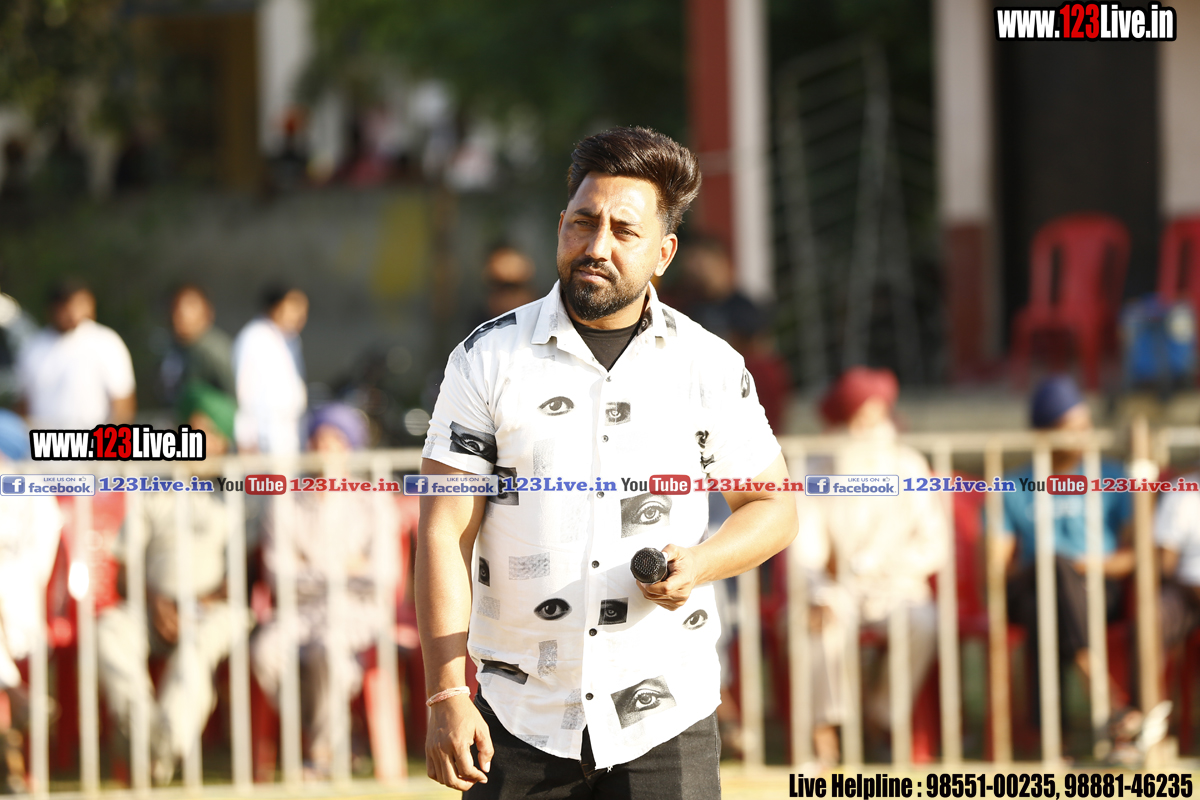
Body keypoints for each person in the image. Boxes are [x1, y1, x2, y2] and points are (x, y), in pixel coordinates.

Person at [417, 126, 798, 797]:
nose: (597, 246)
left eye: (624, 231)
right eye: (583, 222)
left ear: (663, 252)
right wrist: (447, 691)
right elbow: (444, 531)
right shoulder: (486, 358)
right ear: (560, 225)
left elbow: (774, 507)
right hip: (517, 714)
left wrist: (700, 564)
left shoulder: (707, 364)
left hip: (666, 713)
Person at [798, 367, 947, 766]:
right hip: (837, 587)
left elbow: (934, 544)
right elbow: (805, 549)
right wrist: (819, 591)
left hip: (897, 586)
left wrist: (888, 568)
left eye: (876, 417)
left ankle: (880, 721)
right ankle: (828, 734)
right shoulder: (814, 469)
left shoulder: (910, 465)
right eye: (859, 418)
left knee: (923, 621)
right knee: (821, 619)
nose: (868, 429)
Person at [95, 383, 242, 785]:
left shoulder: (235, 499)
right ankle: (146, 735)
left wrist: (195, 604)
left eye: (207, 434)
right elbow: (124, 569)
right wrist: (156, 600)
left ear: (223, 444)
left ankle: (160, 753)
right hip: (151, 606)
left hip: (214, 609)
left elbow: (244, 577)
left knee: (195, 651)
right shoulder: (152, 493)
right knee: (108, 629)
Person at [250, 403, 395, 779]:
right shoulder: (286, 502)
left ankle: (321, 753)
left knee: (328, 650)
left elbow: (382, 574)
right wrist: (344, 566)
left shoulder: (373, 501)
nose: (323, 450)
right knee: (265, 653)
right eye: (317, 441)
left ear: (349, 448)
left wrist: (309, 564)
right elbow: (278, 574)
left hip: (356, 611)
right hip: (300, 611)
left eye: (334, 441)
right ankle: (338, 729)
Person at [1000, 376, 1135, 727]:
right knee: (1051, 570)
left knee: (1045, 608)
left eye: (1086, 426)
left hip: (1098, 587)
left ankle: (1052, 739)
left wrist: (1083, 567)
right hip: (1031, 583)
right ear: (1045, 433)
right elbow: (997, 568)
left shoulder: (1112, 476)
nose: (1083, 436)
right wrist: (1053, 568)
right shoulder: (1013, 485)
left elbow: (1134, 556)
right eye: (1071, 429)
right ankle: (1108, 702)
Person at [0, 410, 62, 793]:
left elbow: (39, 562)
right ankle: (16, 696)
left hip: (19, 604)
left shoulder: (32, 493)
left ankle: (11, 763)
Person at [16, 280, 136, 428]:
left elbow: (123, 402)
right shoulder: (33, 347)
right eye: (68, 306)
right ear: (54, 308)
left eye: (81, 305)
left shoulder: (106, 342)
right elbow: (23, 402)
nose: (74, 313)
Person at [232, 285, 308, 454]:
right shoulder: (254, 337)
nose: (300, 315)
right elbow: (244, 391)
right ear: (276, 306)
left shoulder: (291, 341)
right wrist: (246, 436)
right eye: (294, 307)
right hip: (261, 439)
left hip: (287, 435)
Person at [159, 284, 235, 404]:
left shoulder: (215, 350)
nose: (182, 313)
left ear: (207, 312)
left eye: (190, 306)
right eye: (177, 306)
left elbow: (233, 399)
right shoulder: (172, 348)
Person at [1153, 475, 1200, 653]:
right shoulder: (1182, 492)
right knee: (1153, 618)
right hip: (1184, 591)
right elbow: (1166, 565)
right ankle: (1146, 671)